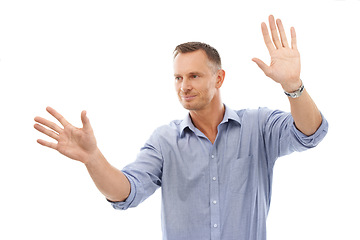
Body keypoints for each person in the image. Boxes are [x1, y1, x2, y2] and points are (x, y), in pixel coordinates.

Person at [34, 15, 328, 240]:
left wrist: (293, 86)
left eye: (194, 76)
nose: (184, 86)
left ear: (219, 78)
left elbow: (309, 133)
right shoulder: (165, 141)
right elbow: (126, 193)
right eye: (178, 78)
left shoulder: (258, 126)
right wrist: (92, 158)